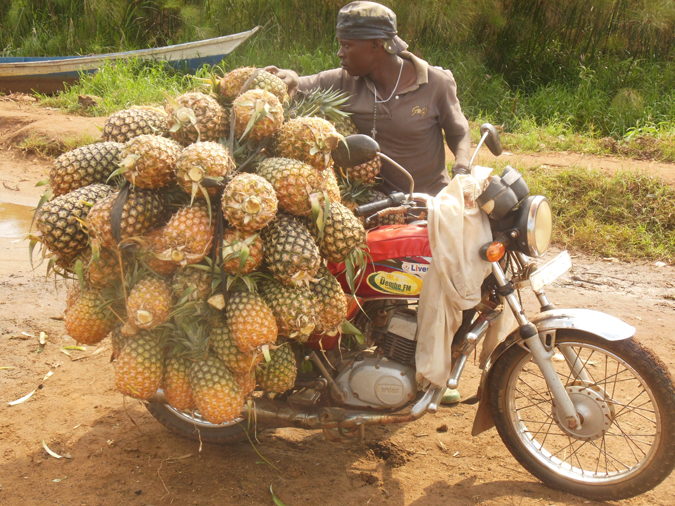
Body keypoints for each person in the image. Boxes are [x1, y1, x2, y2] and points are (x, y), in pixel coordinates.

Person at [267, 0, 472, 197]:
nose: (340, 53)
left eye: (346, 45)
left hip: (432, 199)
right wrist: (291, 76)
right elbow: (299, 83)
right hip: (378, 203)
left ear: (375, 44)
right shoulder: (343, 81)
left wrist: (462, 168)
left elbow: (459, 131)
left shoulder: (435, 83)